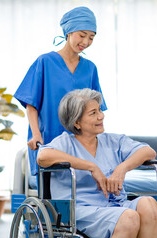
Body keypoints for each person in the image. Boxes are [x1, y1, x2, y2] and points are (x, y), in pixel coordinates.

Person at [37, 88, 157, 238]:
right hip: (81, 210)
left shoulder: (114, 141)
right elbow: (43, 157)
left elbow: (148, 151)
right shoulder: (65, 143)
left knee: (150, 206)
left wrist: (121, 169)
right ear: (76, 122)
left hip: (116, 205)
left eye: (100, 110)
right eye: (93, 113)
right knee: (129, 218)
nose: (101, 116)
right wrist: (91, 166)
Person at [14, 6, 107, 178]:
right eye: (82, 35)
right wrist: (36, 134)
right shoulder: (45, 62)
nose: (86, 42)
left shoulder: (90, 68)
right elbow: (31, 103)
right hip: (49, 141)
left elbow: (97, 109)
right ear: (69, 32)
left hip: (81, 144)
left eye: (91, 37)